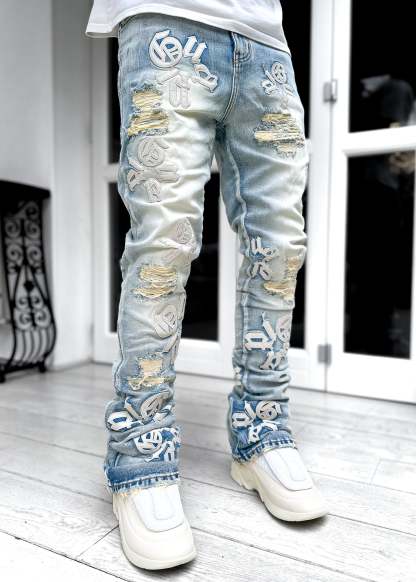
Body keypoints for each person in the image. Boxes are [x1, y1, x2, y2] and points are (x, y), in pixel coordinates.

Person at [85, 0, 328, 570]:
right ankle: (140, 450)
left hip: (266, 41)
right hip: (164, 21)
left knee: (281, 246)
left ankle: (261, 429)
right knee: (163, 246)